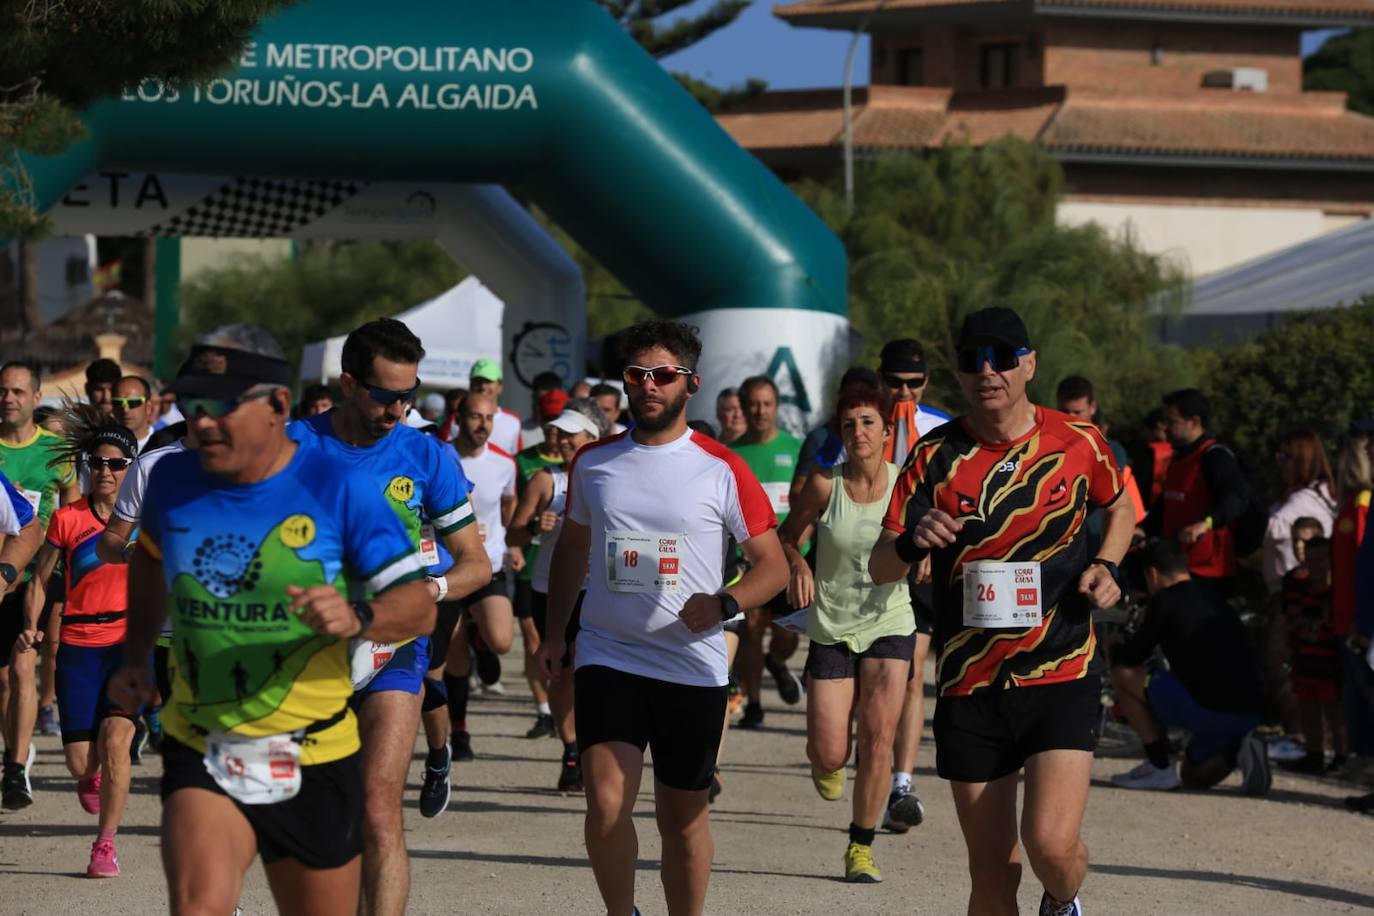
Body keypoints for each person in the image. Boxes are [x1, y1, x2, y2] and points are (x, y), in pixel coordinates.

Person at [105, 327, 434, 916]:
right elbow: (150, 562)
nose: (202, 422)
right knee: (199, 905)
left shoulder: (340, 488)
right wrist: (135, 658)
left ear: (278, 405)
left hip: (314, 751)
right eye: (192, 405)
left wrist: (357, 614)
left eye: (222, 406)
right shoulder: (171, 479)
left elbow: (418, 604)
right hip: (202, 741)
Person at [870, 306, 1133, 916]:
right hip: (971, 684)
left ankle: (1063, 901)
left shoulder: (1078, 440)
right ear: (958, 374)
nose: (987, 370)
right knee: (991, 876)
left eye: (1002, 357)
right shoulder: (934, 456)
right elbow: (880, 563)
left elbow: (1119, 507)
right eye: (971, 359)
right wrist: (912, 542)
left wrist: (1110, 565)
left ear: (1030, 363)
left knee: (1050, 845)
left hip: (1061, 669)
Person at [536, 319, 788, 916]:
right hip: (607, 654)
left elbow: (771, 566)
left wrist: (725, 603)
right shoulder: (594, 463)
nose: (649, 385)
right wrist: (554, 633)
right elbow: (573, 546)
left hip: (689, 664)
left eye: (663, 375)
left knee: (681, 820)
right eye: (637, 375)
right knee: (604, 803)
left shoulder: (722, 466)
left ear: (690, 384)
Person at [288, 318, 489, 912]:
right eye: (385, 396)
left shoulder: (427, 455)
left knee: (379, 811)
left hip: (393, 647)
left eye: (409, 394)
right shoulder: (292, 448)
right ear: (349, 384)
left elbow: (475, 562)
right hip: (307, 650)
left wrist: (430, 590)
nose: (398, 408)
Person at [780, 381, 914, 883]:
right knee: (831, 751)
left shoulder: (907, 485)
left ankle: (861, 846)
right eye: (850, 423)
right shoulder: (823, 484)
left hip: (890, 621)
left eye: (868, 423)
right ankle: (825, 759)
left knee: (878, 739)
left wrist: (922, 561)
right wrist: (799, 564)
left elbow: (925, 537)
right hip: (833, 624)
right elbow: (786, 538)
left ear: (886, 431)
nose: (859, 432)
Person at [22, 409, 143, 875]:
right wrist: (31, 626)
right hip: (76, 643)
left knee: (117, 741)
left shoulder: (143, 519)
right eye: (97, 463)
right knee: (80, 761)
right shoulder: (69, 519)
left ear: (131, 467)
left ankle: (105, 844)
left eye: (115, 463)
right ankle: (88, 777)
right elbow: (42, 577)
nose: (105, 472)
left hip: (128, 642)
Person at [1108, 538, 1269, 794]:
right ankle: (1241, 751)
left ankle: (1159, 766)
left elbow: (1131, 658)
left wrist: (1113, 645)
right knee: (1192, 777)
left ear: (1153, 575)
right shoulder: (1215, 599)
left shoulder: (1164, 602)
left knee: (1122, 675)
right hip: (1250, 711)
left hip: (1209, 713)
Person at [508, 398, 611, 791]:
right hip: (551, 589)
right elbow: (514, 534)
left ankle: (595, 750)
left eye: (572, 435)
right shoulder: (544, 480)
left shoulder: (609, 477)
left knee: (597, 675)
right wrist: (535, 525)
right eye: (560, 434)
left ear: (593, 438)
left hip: (598, 590)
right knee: (562, 674)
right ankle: (571, 749)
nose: (563, 440)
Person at [1, 360, 80, 809]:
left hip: (39, 576)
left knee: (24, 668)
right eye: (2, 391)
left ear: (35, 398)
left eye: (17, 391)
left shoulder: (57, 452)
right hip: (1, 576)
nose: (8, 398)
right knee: (4, 684)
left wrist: (70, 571)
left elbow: (71, 512)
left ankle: (14, 770)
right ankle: (16, 748)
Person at [441, 391, 518, 762]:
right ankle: (460, 730)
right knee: (454, 657)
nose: (482, 425)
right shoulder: (440, 456)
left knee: (502, 640)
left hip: (488, 565)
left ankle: (481, 638)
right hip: (448, 567)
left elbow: (507, 508)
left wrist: (512, 544)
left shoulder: (505, 463)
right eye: (474, 417)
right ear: (459, 418)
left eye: (488, 418)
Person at [730, 376, 804, 730]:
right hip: (752, 561)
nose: (760, 411)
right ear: (743, 407)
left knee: (787, 636)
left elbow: (812, 505)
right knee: (753, 631)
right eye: (754, 404)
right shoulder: (731, 455)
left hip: (792, 559)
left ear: (776, 407)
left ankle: (777, 661)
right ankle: (754, 702)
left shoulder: (796, 448)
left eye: (767, 404)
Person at [512, 387, 570, 739]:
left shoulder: (601, 468)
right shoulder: (529, 465)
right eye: (551, 426)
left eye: (563, 429)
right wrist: (532, 528)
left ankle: (568, 725)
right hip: (535, 569)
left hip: (583, 579)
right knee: (535, 641)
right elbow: (512, 519)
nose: (556, 435)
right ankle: (545, 710)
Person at [1149, 389, 1249, 593]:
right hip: (1176, 567)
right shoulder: (1178, 458)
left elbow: (1237, 498)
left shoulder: (1214, 457)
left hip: (1206, 571)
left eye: (1171, 421)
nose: (1165, 428)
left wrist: (1205, 523)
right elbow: (1166, 506)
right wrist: (1142, 528)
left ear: (1194, 421)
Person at [1279, 524, 1346, 774]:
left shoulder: (1339, 588)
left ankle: (1341, 756)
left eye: (1321, 559)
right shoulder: (1295, 584)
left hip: (1330, 659)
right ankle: (1313, 754)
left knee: (1334, 710)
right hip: (1304, 655)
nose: (1316, 565)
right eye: (1311, 559)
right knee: (1307, 707)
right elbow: (1289, 618)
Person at [1332, 430, 1374, 760]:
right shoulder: (1352, 503)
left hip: (1361, 619)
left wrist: (1363, 621)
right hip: (1350, 616)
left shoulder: (1363, 504)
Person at [1263, 429, 1337, 593]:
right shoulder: (1322, 494)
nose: (1279, 463)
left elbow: (1267, 529)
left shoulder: (1304, 501)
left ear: (1301, 460)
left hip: (1300, 594)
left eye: (1284, 457)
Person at [467, 358, 522, 454]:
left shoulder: (513, 422)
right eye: (478, 381)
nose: (482, 387)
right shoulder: (457, 419)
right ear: (470, 384)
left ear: (500, 386)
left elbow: (517, 460)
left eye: (488, 381)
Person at [520, 370, 565, 448]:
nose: (545, 406)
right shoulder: (520, 432)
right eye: (541, 401)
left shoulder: (568, 434)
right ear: (533, 397)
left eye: (551, 401)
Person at [113, 376, 155, 453]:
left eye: (133, 402)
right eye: (118, 402)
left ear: (148, 407)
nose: (125, 410)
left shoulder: (165, 444)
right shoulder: (101, 445)